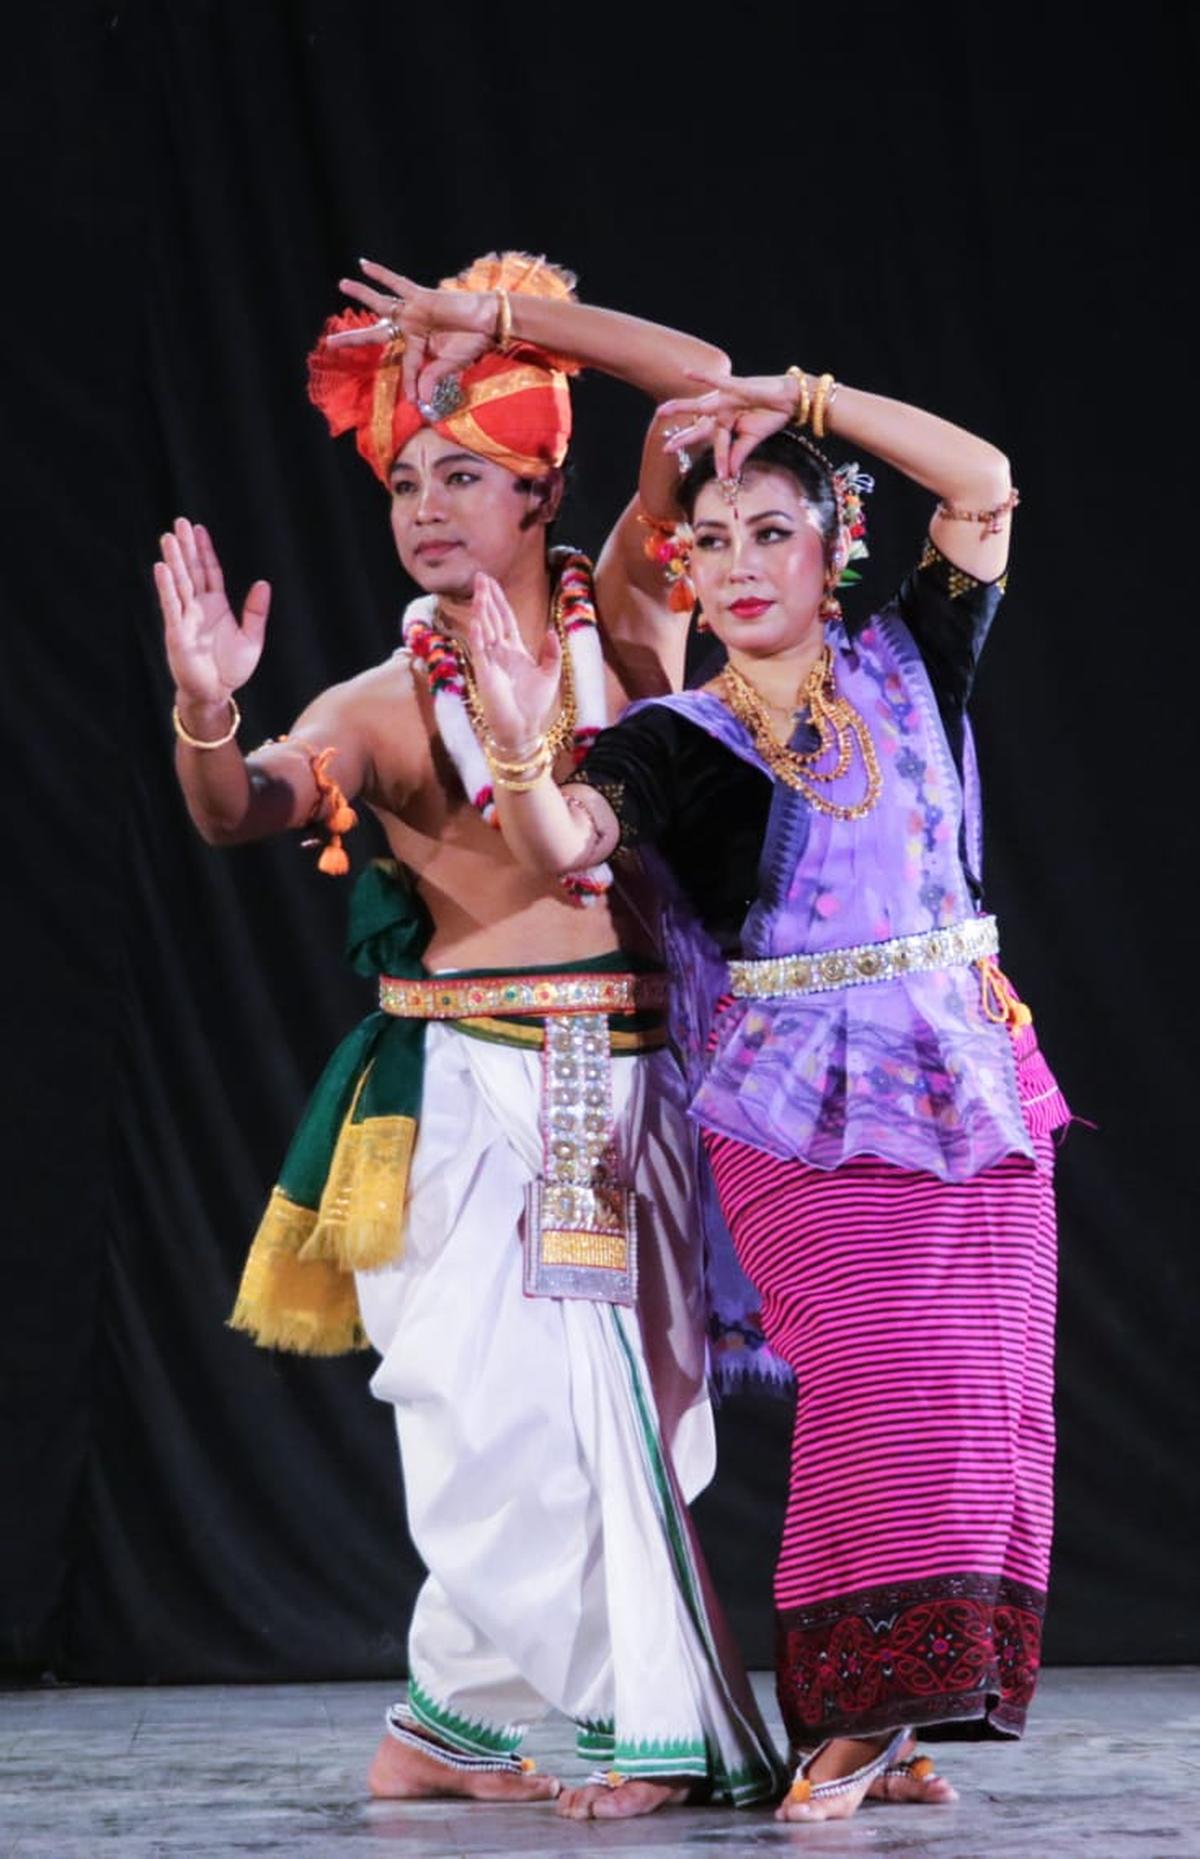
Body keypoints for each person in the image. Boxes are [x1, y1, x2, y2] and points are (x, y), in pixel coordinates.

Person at [152, 254, 779, 1821]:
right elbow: (244, 812)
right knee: (508, 1427)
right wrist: (210, 716)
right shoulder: (375, 700)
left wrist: (500, 321)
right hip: (483, 1086)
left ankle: (445, 1729)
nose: (427, 505)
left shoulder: (632, 614)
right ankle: (654, 1734)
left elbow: (697, 365)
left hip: (638, 1077)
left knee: (651, 1416)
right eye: (407, 478)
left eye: (468, 476)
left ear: (543, 492)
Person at [465, 360, 1070, 1823]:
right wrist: (515, 735)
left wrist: (809, 396)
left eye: (770, 533)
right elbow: (563, 840)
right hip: (799, 1111)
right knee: (881, 1390)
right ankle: (845, 1721)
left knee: (988, 1404)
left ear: (833, 548)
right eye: (710, 542)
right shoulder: (677, 740)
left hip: (974, 1078)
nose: (735, 566)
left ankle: (917, 1708)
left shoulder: (916, 657)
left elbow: (982, 476)